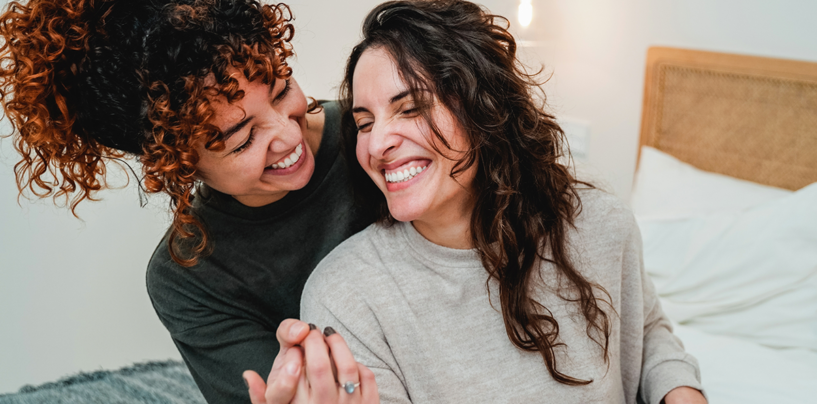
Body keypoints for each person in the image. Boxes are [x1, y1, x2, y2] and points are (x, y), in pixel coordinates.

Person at [249, 1, 708, 403]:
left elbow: (646, 332)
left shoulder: (600, 223)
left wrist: (680, 391)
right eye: (365, 122)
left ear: (482, 108)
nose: (378, 142)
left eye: (410, 108)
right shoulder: (346, 297)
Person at [0, 1, 372, 403]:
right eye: (242, 138)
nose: (288, 135)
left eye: (282, 91)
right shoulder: (190, 277)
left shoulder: (377, 136)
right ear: (177, 163)